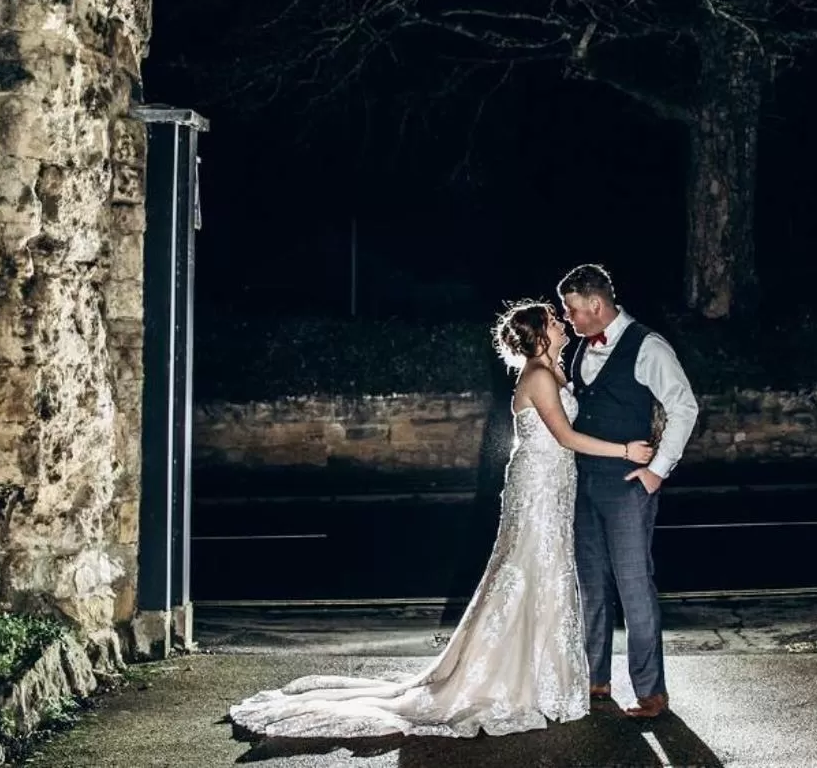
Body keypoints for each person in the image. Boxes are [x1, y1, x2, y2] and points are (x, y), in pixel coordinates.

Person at [227, 300, 654, 739]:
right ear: (541, 335)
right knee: (529, 570)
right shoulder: (540, 376)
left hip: (555, 482)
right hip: (538, 487)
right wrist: (625, 451)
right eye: (554, 320)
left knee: (549, 571)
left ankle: (544, 678)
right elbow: (564, 435)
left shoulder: (558, 370)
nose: (563, 323)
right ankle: (514, 679)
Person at [558, 262, 699, 720]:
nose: (569, 319)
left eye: (573, 310)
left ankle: (651, 692)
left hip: (627, 487)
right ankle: (596, 679)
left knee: (635, 586)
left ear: (596, 305)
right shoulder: (580, 348)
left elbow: (684, 407)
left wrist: (657, 470)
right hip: (585, 482)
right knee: (591, 586)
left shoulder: (648, 346)